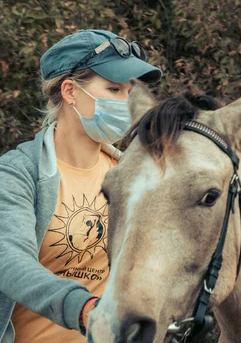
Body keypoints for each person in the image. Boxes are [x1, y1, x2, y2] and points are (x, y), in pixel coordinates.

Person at [0, 29, 162, 342]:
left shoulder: (133, 178)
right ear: (70, 91)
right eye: (114, 89)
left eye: (130, 92)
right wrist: (85, 309)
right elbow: (9, 261)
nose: (126, 103)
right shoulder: (17, 174)